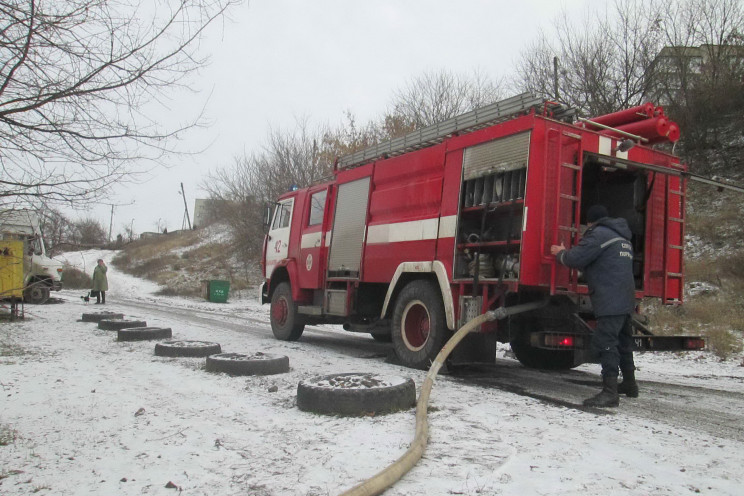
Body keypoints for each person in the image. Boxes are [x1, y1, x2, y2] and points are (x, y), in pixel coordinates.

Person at [550, 205, 638, 407]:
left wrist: (560, 253)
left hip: (609, 298)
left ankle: (609, 392)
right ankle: (630, 384)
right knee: (624, 341)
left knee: (606, 342)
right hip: (625, 297)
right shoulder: (622, 237)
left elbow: (576, 258)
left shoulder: (598, 234)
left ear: (590, 222)